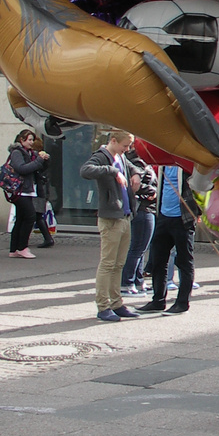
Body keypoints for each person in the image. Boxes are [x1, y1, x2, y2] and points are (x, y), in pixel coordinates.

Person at [81, 130, 137, 322]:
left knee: (118, 264)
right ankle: (103, 305)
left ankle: (116, 303)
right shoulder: (102, 156)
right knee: (107, 263)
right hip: (111, 218)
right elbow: (85, 170)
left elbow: (132, 166)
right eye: (124, 146)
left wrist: (136, 174)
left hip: (125, 215)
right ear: (113, 141)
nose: (126, 150)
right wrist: (112, 171)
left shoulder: (120, 157)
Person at [137, 162, 196, 315]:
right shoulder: (162, 164)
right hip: (163, 216)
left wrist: (197, 212)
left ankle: (182, 303)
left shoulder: (188, 164)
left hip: (182, 219)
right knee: (158, 261)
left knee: (184, 262)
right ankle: (158, 300)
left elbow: (203, 188)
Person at [5, 130, 48, 259]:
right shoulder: (17, 152)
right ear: (22, 140)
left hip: (28, 189)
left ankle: (14, 249)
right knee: (30, 217)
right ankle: (22, 247)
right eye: (29, 140)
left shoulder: (31, 153)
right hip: (20, 190)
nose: (31, 142)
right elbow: (22, 168)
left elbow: (38, 169)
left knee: (21, 219)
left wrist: (44, 160)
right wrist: (38, 161)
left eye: (32, 140)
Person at [120, 151, 158, 298]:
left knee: (140, 248)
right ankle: (127, 282)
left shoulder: (137, 161)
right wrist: (152, 191)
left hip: (144, 207)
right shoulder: (138, 161)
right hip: (143, 207)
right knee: (138, 248)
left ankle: (137, 281)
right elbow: (134, 183)